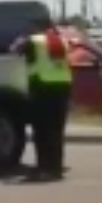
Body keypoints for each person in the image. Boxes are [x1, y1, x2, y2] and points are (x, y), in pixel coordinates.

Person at [11, 18, 74, 181]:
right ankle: (56, 168)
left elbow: (14, 50)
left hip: (42, 87)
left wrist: (19, 40)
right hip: (63, 87)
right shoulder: (61, 40)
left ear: (36, 27)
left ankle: (44, 168)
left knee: (42, 131)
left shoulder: (34, 41)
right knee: (57, 131)